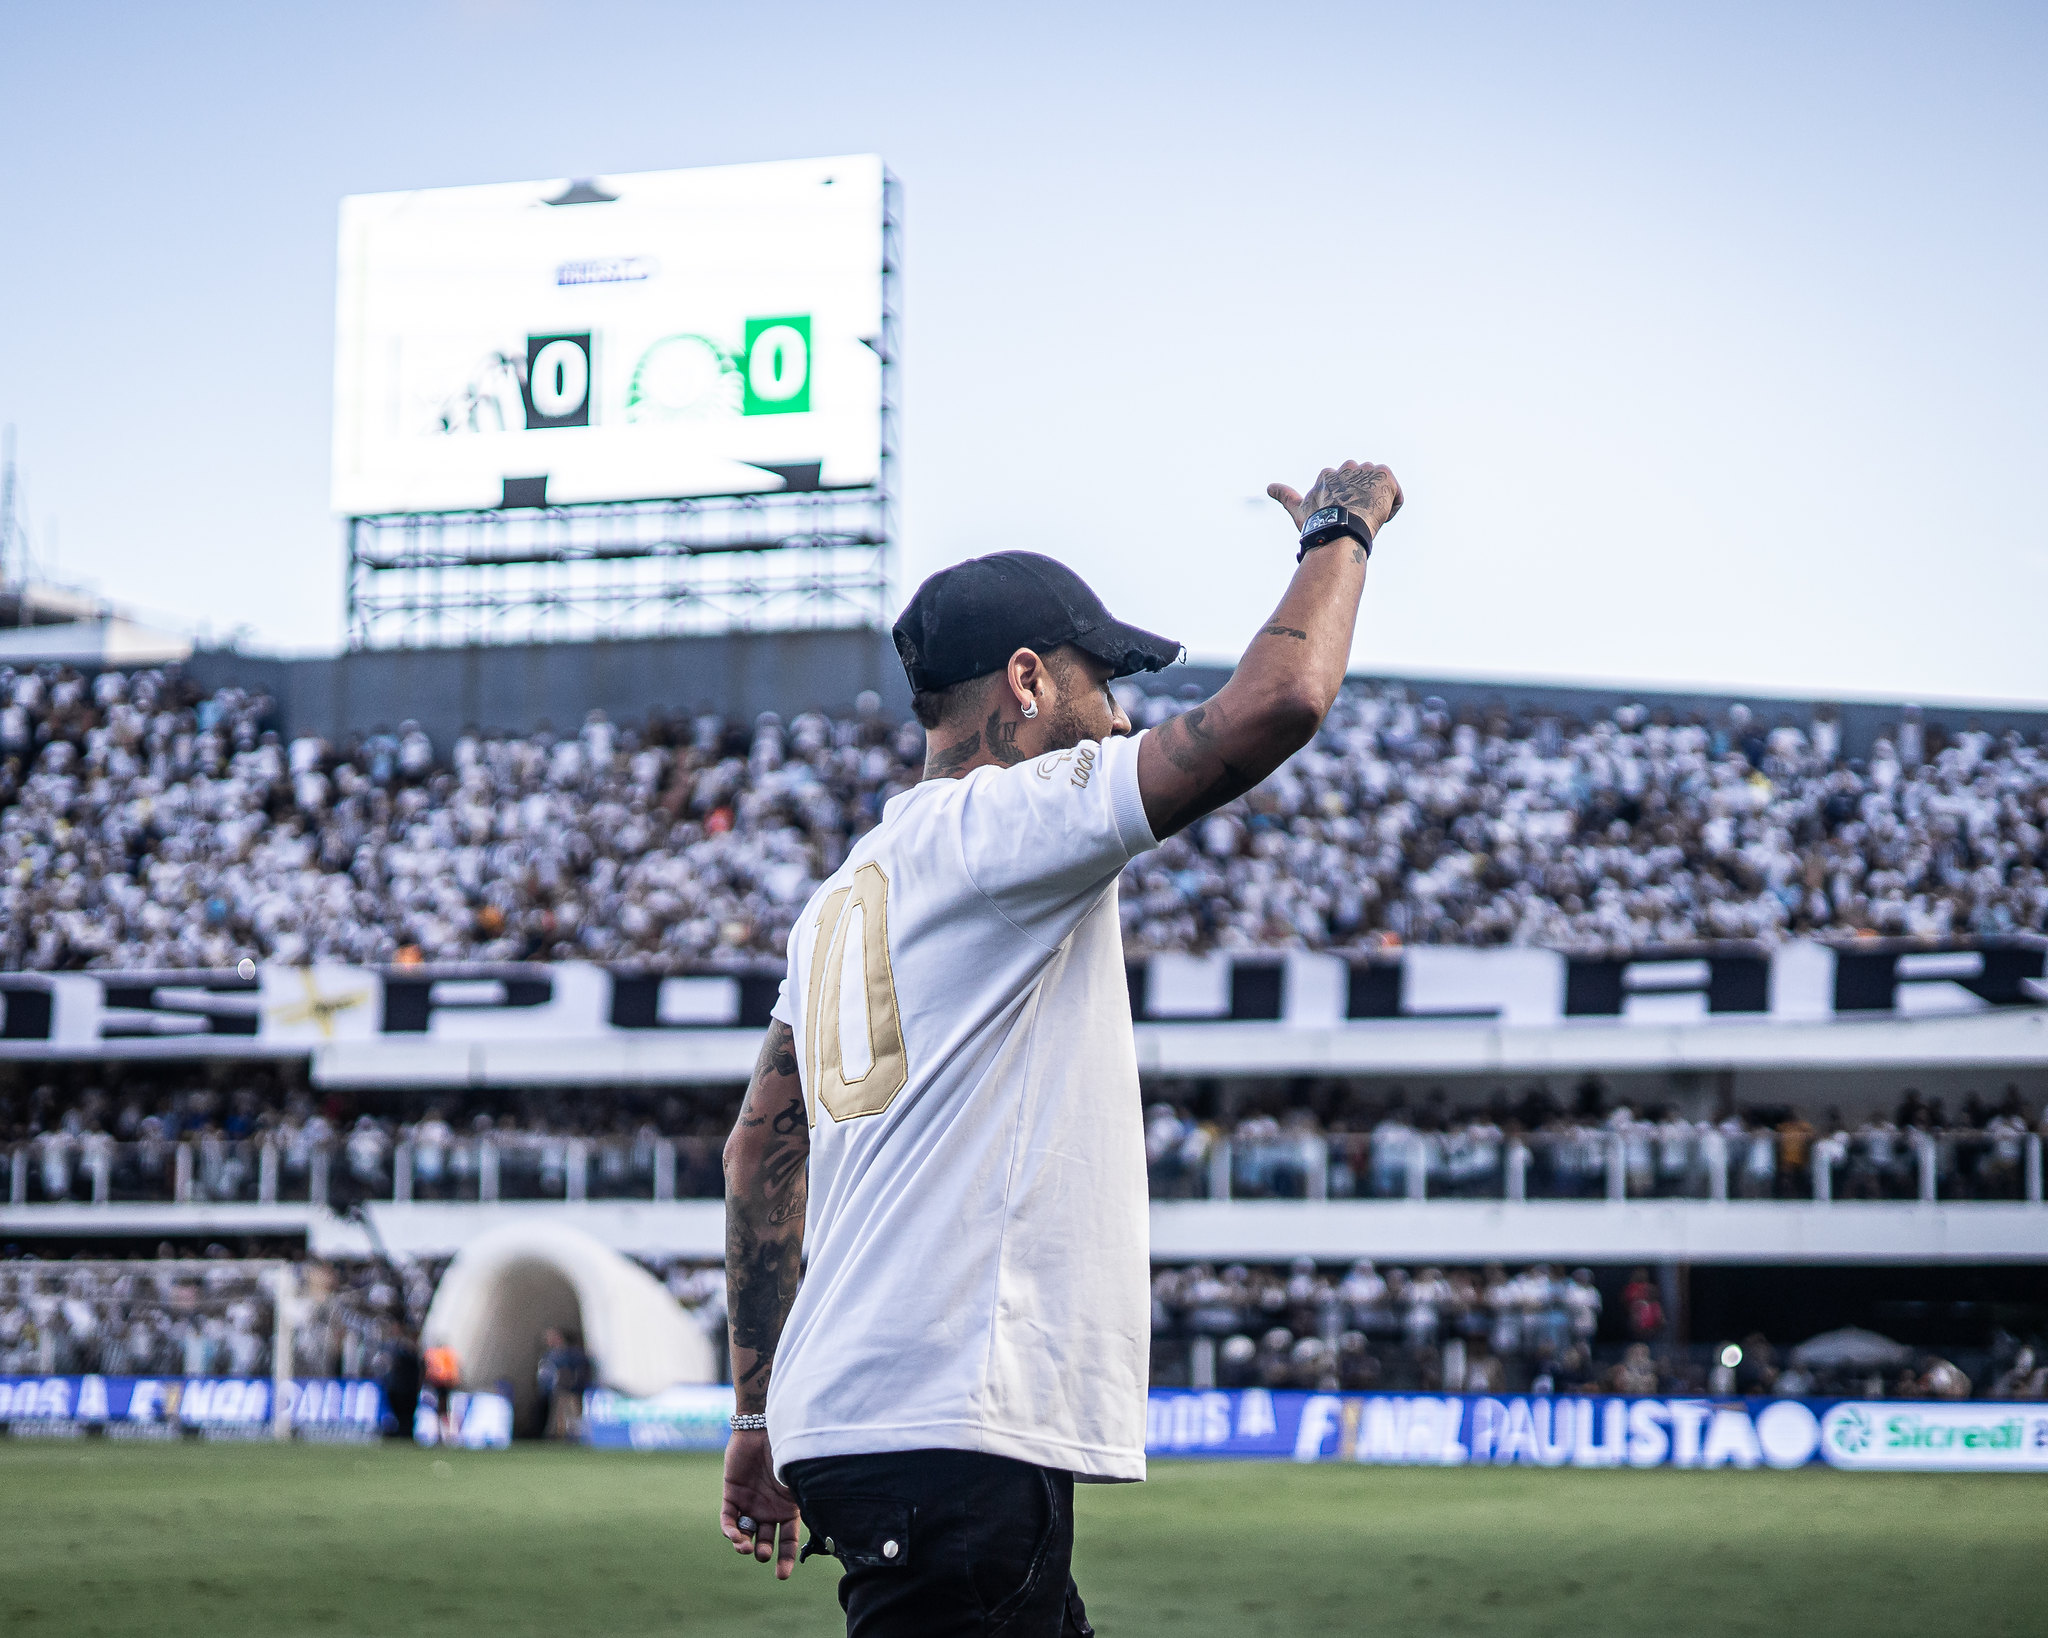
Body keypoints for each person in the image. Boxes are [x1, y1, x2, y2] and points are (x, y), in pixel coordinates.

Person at [718, 460, 1403, 1633]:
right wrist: (1341, 531)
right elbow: (1280, 700)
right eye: (1103, 683)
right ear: (1025, 683)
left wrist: (753, 1416)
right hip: (949, 1417)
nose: (1123, 714)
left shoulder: (841, 893)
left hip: (859, 1414)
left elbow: (756, 1156)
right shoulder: (1000, 825)